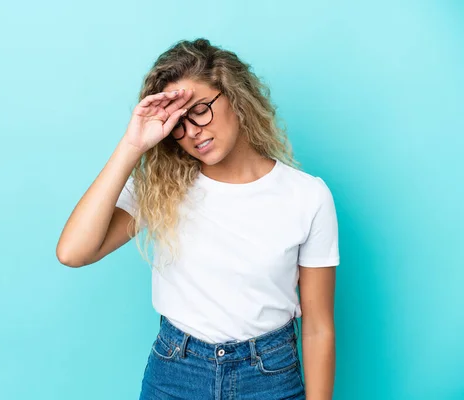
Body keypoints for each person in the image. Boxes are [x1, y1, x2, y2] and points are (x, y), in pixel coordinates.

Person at [56, 38, 340, 400]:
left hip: (269, 377)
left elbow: (318, 328)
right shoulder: (162, 186)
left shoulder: (307, 196)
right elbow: (73, 252)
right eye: (177, 123)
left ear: (235, 97)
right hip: (176, 373)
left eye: (201, 109)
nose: (192, 131)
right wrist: (132, 145)